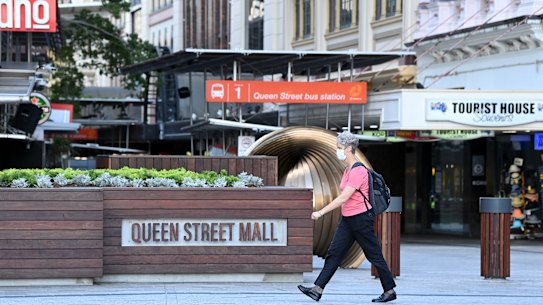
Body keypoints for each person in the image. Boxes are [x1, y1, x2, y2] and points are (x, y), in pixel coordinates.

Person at [297, 131, 397, 303]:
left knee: (373, 254)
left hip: (361, 218)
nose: (338, 151)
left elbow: (344, 197)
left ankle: (389, 290)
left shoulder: (359, 171)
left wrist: (321, 212)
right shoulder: (347, 170)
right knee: (334, 253)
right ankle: (317, 289)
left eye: (340, 148)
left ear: (349, 149)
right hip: (348, 218)